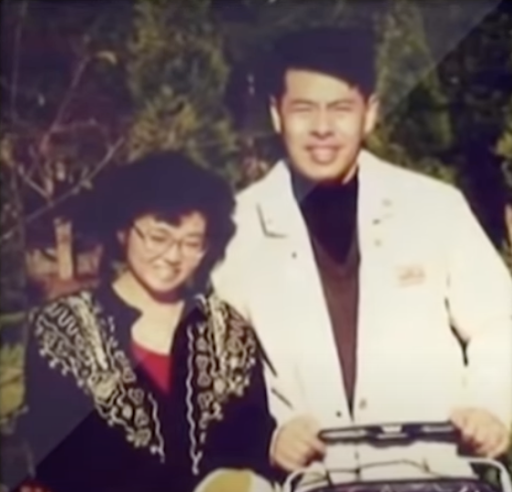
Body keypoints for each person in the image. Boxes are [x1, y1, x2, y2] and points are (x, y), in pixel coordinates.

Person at [212, 26, 512, 482]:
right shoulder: (235, 230)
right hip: (311, 483)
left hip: (435, 479)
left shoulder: (434, 207)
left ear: (369, 114)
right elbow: (211, 377)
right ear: (276, 114)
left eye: (341, 109)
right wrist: (269, 437)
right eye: (304, 109)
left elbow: (500, 322)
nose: (322, 128)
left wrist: (491, 407)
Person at [13, 151, 279, 492]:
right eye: (158, 237)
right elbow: (56, 460)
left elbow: (253, 449)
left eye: (191, 243)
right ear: (123, 231)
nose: (172, 255)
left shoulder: (227, 332)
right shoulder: (64, 329)